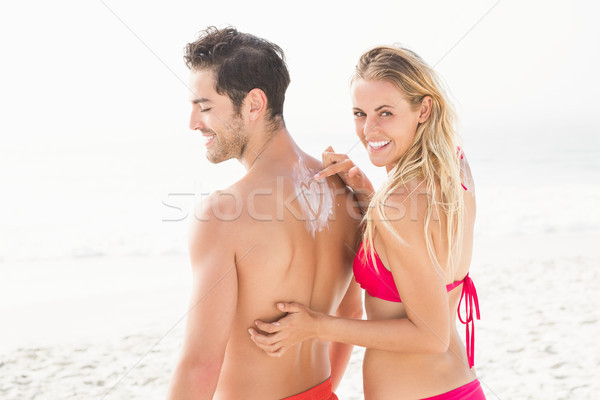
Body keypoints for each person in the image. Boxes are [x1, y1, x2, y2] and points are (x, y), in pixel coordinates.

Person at [250, 45, 486, 399]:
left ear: (424, 109)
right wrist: (365, 192)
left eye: (385, 113)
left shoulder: (398, 203)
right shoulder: (455, 167)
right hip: (458, 386)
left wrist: (316, 325)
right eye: (360, 113)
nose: (368, 129)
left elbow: (431, 335)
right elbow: (420, 246)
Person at [166, 26, 363, 400]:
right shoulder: (343, 189)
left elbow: (200, 365)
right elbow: (350, 315)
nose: (193, 122)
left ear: (254, 104)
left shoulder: (223, 213)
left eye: (204, 106)